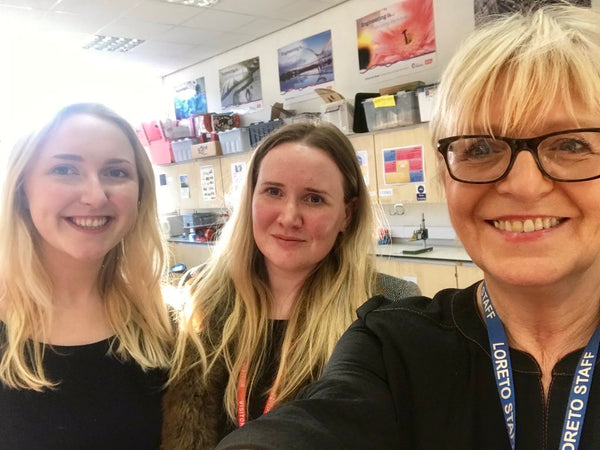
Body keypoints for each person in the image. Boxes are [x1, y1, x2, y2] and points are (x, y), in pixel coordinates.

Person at [217, 4, 600, 449]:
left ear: (348, 213)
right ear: (444, 173)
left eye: (571, 144)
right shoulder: (389, 346)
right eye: (479, 148)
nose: (522, 185)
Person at [161, 122, 420, 449]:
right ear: (250, 198)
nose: (288, 216)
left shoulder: (389, 308)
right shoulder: (198, 297)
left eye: (313, 199)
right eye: (273, 191)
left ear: (347, 215)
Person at [0, 103, 173, 448]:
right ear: (22, 188)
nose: (95, 196)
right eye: (65, 169)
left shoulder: (166, 328)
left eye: (116, 172)